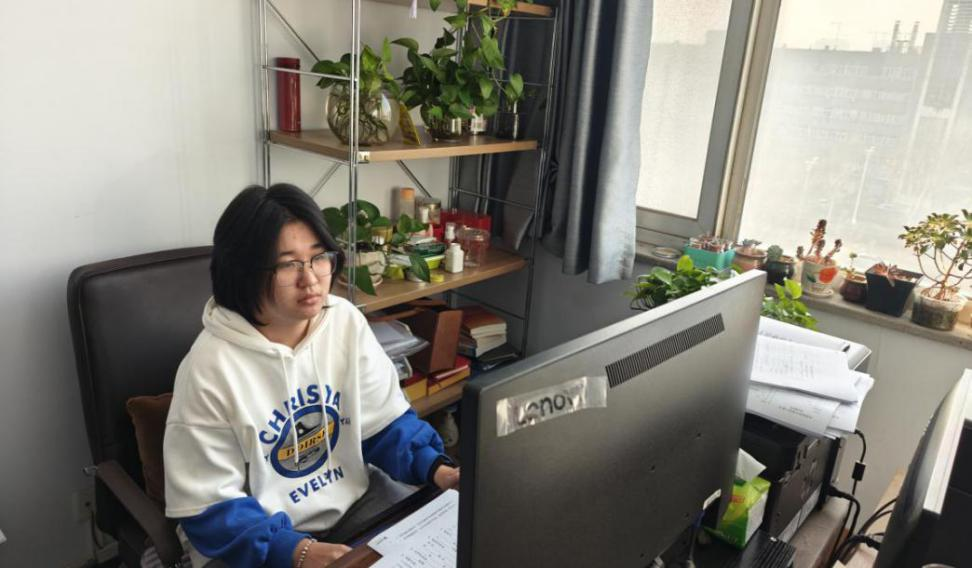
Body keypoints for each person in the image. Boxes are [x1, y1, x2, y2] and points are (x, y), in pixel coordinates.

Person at [163, 184, 459, 568]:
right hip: (255, 539)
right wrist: (297, 552)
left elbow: (383, 425)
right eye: (288, 265)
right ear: (244, 272)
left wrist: (438, 469)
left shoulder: (344, 322)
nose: (311, 279)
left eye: (319, 257)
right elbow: (212, 509)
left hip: (354, 504)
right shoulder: (208, 368)